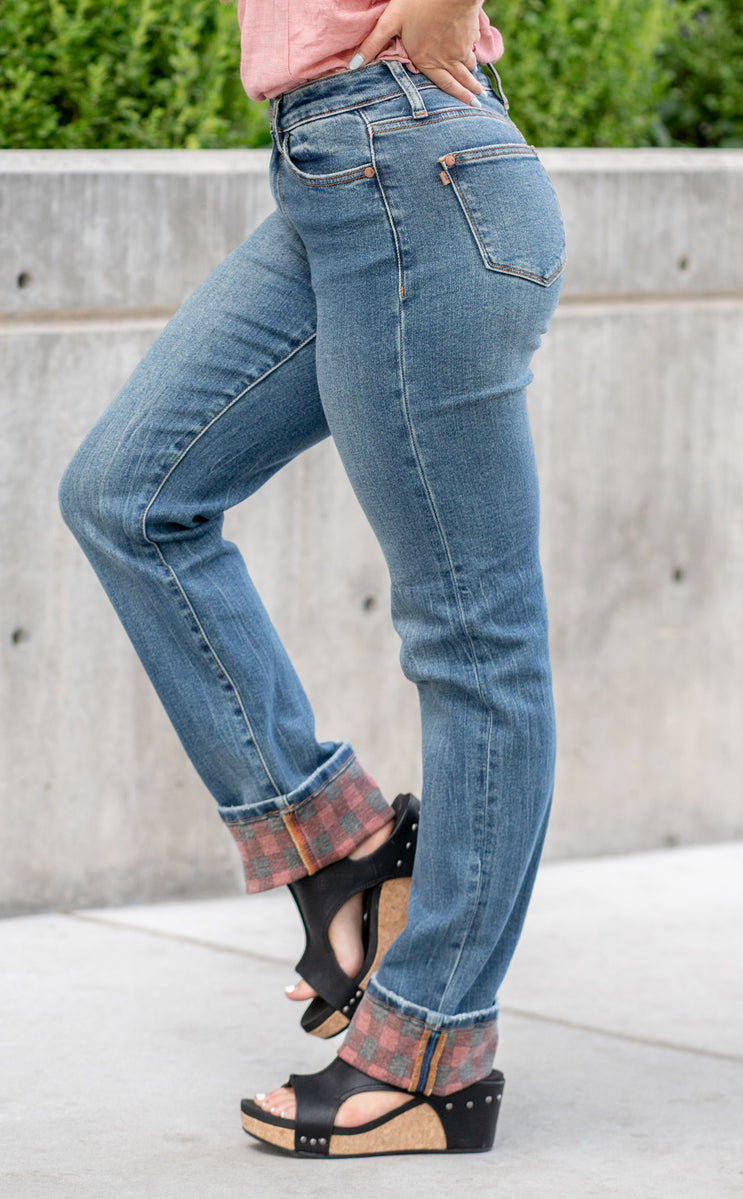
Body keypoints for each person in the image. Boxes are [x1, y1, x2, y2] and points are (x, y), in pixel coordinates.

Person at [59, 0, 566, 1158]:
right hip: (329, 171)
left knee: (474, 635)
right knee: (128, 496)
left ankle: (433, 1048)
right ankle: (340, 850)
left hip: (412, 159)